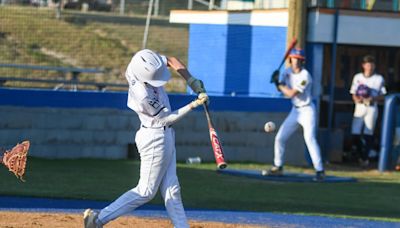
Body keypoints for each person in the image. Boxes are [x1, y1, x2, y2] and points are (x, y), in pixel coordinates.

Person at [83, 49, 208, 228]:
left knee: (172, 188)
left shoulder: (141, 64)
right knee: (146, 191)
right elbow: (165, 118)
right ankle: (98, 219)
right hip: (155, 137)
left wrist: (192, 82)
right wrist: (193, 104)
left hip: (165, 134)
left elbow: (172, 60)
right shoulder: (142, 95)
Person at [264, 48, 325, 181]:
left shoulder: (305, 76)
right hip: (295, 110)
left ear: (302, 61)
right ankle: (278, 167)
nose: (296, 61)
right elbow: (282, 88)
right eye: (294, 58)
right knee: (280, 138)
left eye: (298, 59)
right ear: (290, 59)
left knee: (309, 139)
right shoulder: (286, 72)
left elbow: (291, 93)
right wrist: (276, 81)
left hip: (307, 110)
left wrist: (278, 84)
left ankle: (320, 170)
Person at [349, 55, 386, 167]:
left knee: (368, 133)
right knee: (355, 133)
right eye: (367, 64)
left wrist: (372, 98)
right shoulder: (358, 77)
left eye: (371, 64)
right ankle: (360, 155)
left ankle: (365, 158)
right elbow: (353, 93)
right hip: (359, 106)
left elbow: (383, 95)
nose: (369, 67)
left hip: (371, 106)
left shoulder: (379, 79)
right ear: (363, 65)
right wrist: (357, 98)